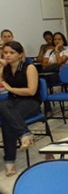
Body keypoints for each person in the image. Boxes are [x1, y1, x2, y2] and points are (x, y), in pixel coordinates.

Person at [0, 41, 38, 177]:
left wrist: (11, 89)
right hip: (13, 102)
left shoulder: (29, 67)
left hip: (30, 102)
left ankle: (9, 161)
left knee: (7, 121)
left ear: (20, 54)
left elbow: (32, 91)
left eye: (11, 53)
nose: (8, 55)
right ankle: (25, 134)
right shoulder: (5, 69)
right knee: (3, 107)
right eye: (5, 53)